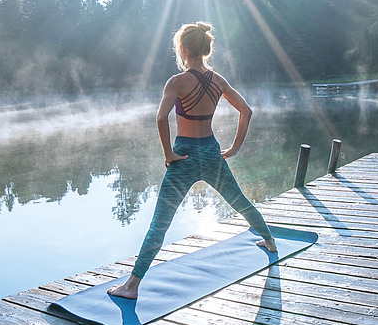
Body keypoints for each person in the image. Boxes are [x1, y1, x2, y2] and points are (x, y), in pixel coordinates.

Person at [108, 22, 276, 299]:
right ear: (206, 49)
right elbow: (246, 111)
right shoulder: (218, 80)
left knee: (159, 224)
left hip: (183, 155)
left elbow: (161, 118)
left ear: (184, 49)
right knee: (240, 201)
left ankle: (132, 286)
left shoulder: (177, 82)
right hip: (211, 151)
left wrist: (168, 154)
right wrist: (234, 147)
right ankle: (269, 241)